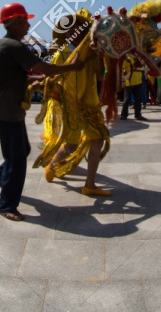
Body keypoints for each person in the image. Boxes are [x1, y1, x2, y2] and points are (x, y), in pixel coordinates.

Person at [0, 3, 84, 222]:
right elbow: (45, 68)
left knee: (23, 149)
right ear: (16, 22)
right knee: (17, 158)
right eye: (26, 21)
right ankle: (6, 205)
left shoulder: (9, 45)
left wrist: (34, 80)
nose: (29, 25)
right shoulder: (14, 46)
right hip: (8, 110)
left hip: (8, 108)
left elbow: (19, 75)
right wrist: (72, 67)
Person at [35, 12, 112, 196]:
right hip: (70, 105)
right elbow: (51, 76)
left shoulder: (93, 54)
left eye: (79, 28)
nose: (75, 32)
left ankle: (90, 185)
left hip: (91, 104)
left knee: (98, 139)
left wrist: (101, 58)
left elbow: (100, 76)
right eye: (71, 29)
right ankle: (52, 165)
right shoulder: (61, 54)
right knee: (71, 145)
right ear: (67, 34)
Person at [120, 55, 146, 121]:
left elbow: (144, 68)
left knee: (138, 100)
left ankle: (138, 115)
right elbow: (123, 68)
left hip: (138, 82)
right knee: (126, 100)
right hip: (129, 82)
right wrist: (123, 80)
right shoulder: (128, 59)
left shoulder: (140, 59)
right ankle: (124, 115)